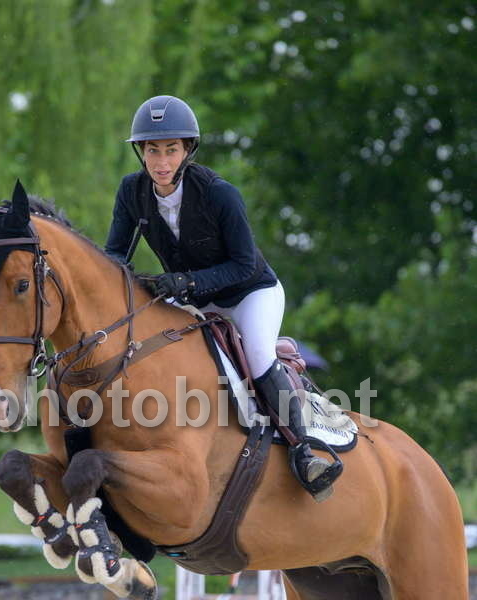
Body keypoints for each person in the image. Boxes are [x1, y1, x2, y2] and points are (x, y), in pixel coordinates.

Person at [105, 95, 341, 501]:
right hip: (193, 299)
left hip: (249, 293)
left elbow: (245, 264)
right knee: (148, 348)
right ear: (140, 152)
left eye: (171, 150)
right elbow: (115, 254)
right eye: (152, 150)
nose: (161, 161)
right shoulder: (132, 191)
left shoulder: (219, 194)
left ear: (187, 151)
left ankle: (304, 451)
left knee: (259, 355)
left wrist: (187, 282)